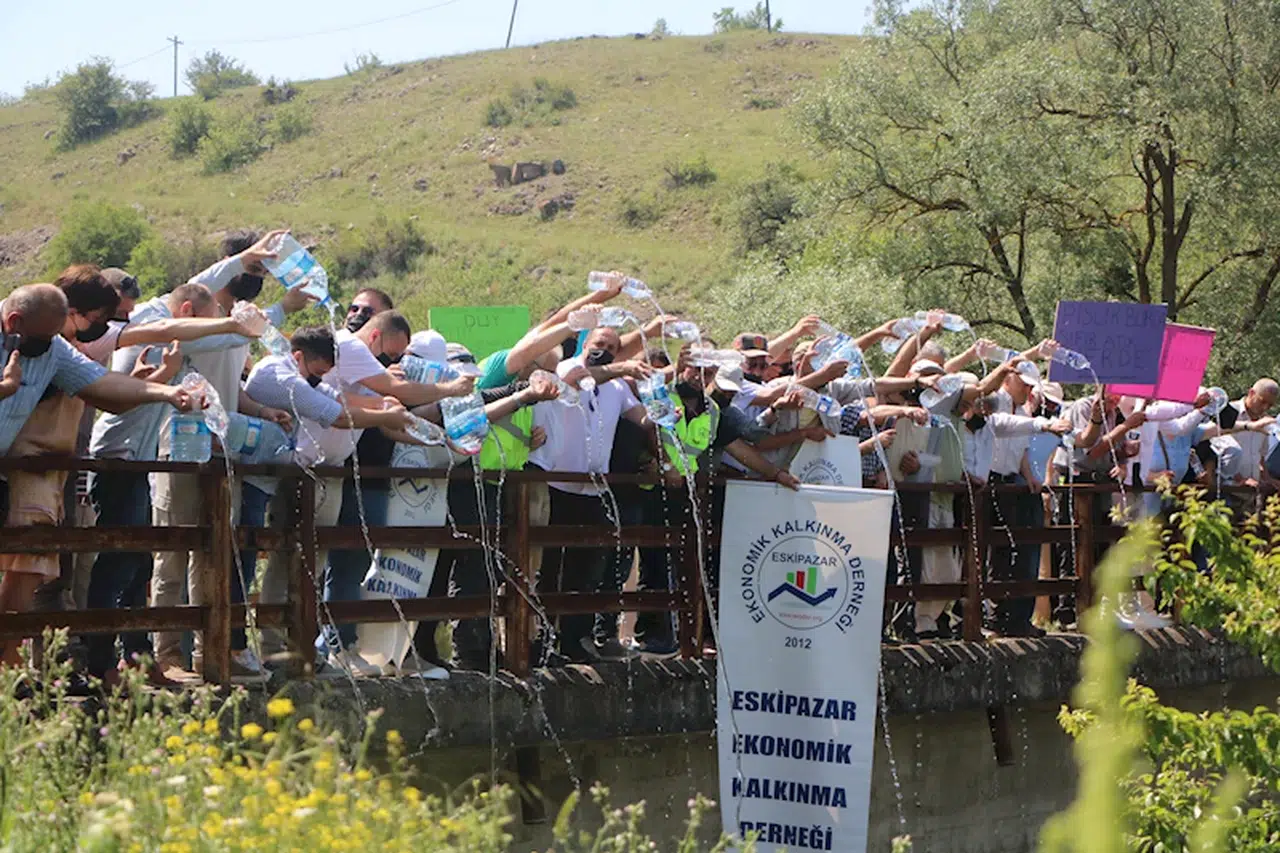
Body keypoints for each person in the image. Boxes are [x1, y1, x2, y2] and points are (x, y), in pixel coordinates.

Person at [0, 284, 193, 666]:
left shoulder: (52, 348)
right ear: (13, 322)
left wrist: (162, 392)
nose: (49, 345)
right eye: (41, 338)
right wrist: (5, 388)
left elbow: (101, 384)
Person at [244, 325, 418, 673]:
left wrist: (386, 405)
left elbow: (338, 400)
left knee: (314, 563)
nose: (322, 379)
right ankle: (274, 648)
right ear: (299, 358)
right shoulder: (280, 376)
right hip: (278, 478)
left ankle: (300, 643)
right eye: (319, 371)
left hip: (311, 476)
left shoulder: (309, 379)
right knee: (282, 559)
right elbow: (335, 415)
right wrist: (386, 413)